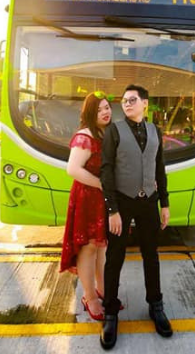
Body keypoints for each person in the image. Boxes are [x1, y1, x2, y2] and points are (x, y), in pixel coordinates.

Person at [99, 84, 173, 350]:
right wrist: (113, 210)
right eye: (124, 100)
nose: (127, 104)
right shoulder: (114, 131)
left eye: (132, 100)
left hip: (149, 201)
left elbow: (159, 167)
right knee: (114, 258)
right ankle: (110, 314)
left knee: (151, 256)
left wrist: (164, 203)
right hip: (122, 201)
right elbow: (106, 171)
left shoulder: (155, 131)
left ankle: (156, 305)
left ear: (145, 103)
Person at [59, 92, 113, 321]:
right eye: (100, 109)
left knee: (102, 247)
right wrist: (102, 185)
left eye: (108, 107)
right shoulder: (85, 136)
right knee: (89, 247)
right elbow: (73, 169)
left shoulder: (103, 133)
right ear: (91, 113)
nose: (106, 112)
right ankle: (89, 297)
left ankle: (103, 291)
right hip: (87, 197)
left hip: (100, 198)